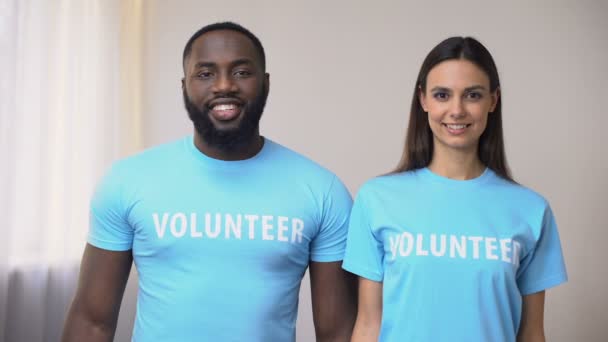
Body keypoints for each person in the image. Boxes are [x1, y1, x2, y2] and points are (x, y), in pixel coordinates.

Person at [62, 21, 356, 342]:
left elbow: (338, 332)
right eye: (205, 74)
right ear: (184, 86)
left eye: (242, 72)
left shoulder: (322, 191)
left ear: (266, 83)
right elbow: (92, 321)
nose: (224, 85)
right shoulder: (127, 181)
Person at [343, 37, 567, 342]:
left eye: (472, 95)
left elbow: (531, 333)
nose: (457, 110)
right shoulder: (377, 199)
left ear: (493, 100)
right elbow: (369, 325)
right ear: (423, 100)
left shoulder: (531, 210)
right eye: (442, 95)